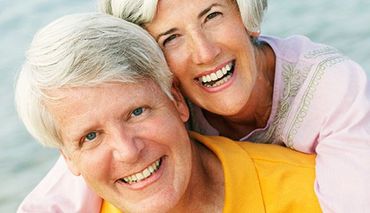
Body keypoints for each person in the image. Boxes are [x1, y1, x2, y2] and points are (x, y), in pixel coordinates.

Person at [17, 0, 370, 212]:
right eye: (170, 38)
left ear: (244, 16)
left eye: (212, 15)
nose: (204, 53)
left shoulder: (329, 88)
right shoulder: (157, 101)